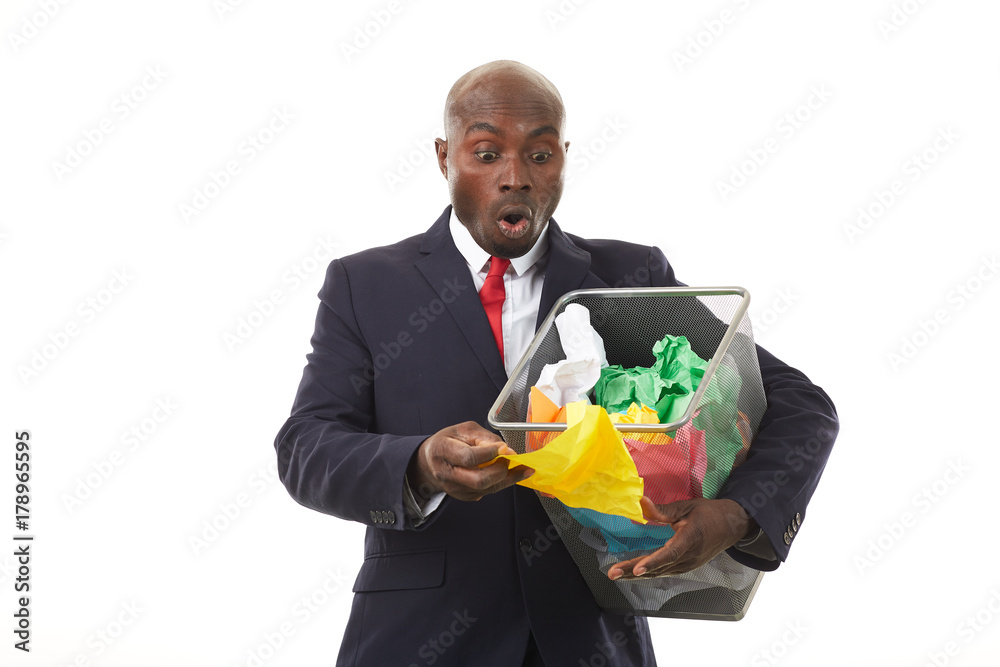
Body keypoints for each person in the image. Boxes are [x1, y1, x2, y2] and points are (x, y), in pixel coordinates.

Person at [275, 60, 838, 666]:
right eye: (487, 153)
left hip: (589, 639)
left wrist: (734, 516)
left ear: (564, 157)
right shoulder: (365, 285)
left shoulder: (628, 278)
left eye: (540, 155)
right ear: (444, 157)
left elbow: (801, 405)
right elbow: (306, 446)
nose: (514, 177)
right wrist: (419, 463)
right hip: (418, 641)